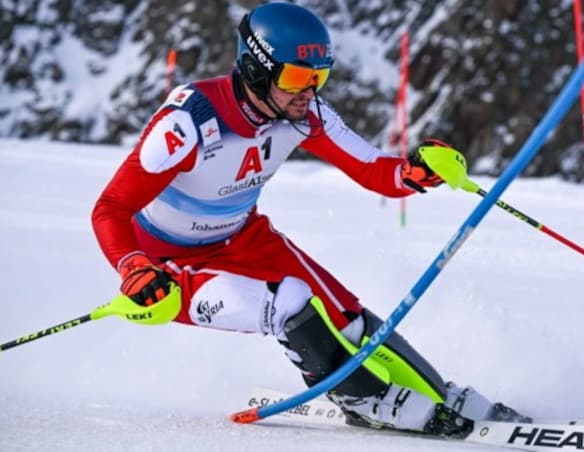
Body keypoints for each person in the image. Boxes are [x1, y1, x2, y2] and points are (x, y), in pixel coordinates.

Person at [91, 1, 528, 437]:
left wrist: (415, 173)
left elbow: (375, 171)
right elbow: (110, 209)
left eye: (319, 77)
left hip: (242, 238)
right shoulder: (188, 123)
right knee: (290, 303)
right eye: (298, 77)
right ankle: (364, 398)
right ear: (257, 69)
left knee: (347, 318)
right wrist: (132, 268)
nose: (309, 91)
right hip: (168, 269)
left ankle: (438, 393)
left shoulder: (303, 115)